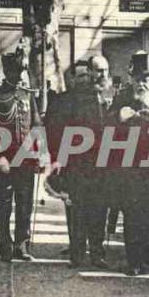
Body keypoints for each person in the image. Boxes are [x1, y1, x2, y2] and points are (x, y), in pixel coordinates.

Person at [47, 55, 113, 269]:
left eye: (104, 70)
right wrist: (58, 159)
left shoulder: (111, 96)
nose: (101, 75)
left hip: (103, 165)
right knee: (78, 209)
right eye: (97, 71)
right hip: (77, 163)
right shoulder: (70, 99)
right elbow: (57, 131)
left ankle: (97, 252)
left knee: (100, 209)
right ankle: (77, 254)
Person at [109, 52, 149, 276]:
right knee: (134, 213)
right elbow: (106, 127)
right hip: (132, 166)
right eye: (137, 78)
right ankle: (134, 261)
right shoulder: (122, 99)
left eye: (146, 78)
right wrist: (119, 117)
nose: (141, 83)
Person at [0, 48, 45, 262]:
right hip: (5, 160)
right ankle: (5, 245)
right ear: (7, 73)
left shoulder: (27, 95)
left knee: (25, 203)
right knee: (4, 204)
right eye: (15, 72)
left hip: (25, 159)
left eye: (21, 72)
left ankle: (22, 244)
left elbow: (36, 124)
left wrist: (38, 152)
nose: (19, 76)